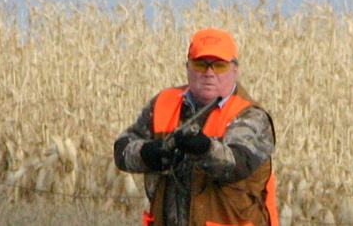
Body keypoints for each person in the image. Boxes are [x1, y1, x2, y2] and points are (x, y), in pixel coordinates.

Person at [114, 28, 279, 226]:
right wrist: (147, 154)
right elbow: (122, 149)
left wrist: (204, 149)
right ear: (188, 68)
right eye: (201, 64)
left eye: (219, 66)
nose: (209, 73)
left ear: (235, 69)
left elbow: (237, 164)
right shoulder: (163, 103)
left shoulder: (250, 116)